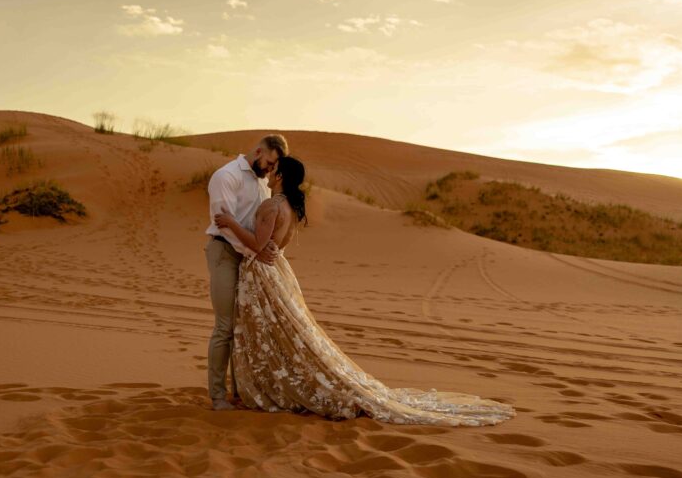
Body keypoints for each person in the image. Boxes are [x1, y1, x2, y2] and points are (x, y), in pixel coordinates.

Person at [214, 156, 515, 426]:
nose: (268, 171)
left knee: (269, 331)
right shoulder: (292, 208)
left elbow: (256, 245)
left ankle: (271, 387)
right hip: (278, 270)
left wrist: (229, 223)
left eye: (273, 169)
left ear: (280, 175)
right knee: (283, 332)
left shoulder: (272, 205)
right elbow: (275, 247)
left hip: (262, 275)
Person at [204, 134, 290, 411]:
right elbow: (224, 224)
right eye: (269, 162)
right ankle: (218, 396)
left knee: (244, 328)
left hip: (250, 261)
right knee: (225, 327)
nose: (269, 169)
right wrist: (257, 250)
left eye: (274, 166)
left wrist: (265, 250)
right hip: (225, 253)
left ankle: (242, 392)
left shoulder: (264, 185)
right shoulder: (225, 176)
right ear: (258, 152)